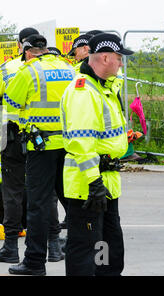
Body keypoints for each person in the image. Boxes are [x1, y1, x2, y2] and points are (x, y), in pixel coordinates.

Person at [3, 34, 75, 275]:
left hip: (40, 146)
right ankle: (78, 248)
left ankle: (34, 261)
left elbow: (10, 101)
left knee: (38, 205)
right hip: (69, 144)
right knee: (71, 198)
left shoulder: (29, 71)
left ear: (26, 51)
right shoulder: (68, 68)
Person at [60, 33, 131, 276]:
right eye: (119, 57)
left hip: (106, 183)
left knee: (109, 250)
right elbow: (81, 143)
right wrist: (94, 182)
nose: (121, 63)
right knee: (85, 252)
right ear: (104, 57)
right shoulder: (84, 90)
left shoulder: (104, 88)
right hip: (88, 185)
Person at [0, 27, 38, 264]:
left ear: (21, 45)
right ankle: (51, 243)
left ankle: (11, 246)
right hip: (44, 136)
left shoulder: (8, 68)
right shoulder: (57, 68)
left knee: (12, 191)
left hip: (13, 134)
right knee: (43, 191)